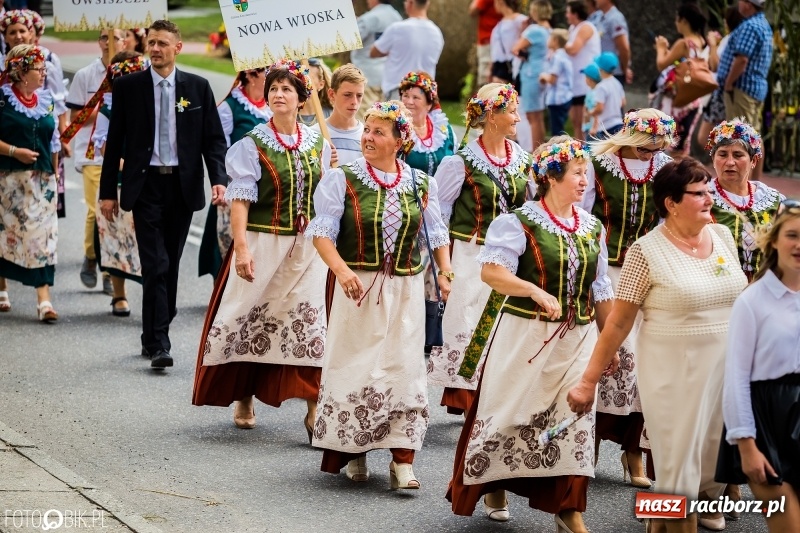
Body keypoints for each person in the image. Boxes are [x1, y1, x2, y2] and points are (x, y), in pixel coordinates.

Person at [568, 158, 749, 533]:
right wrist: (588, 381)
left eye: (709, 192)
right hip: (673, 372)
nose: (709, 199)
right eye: (698, 193)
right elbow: (618, 322)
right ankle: (667, 516)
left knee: (712, 448)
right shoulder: (645, 252)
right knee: (677, 460)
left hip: (725, 369)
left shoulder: (724, 238)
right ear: (670, 202)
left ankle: (679, 510)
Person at [447, 136, 613, 531]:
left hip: (577, 339)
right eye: (577, 173)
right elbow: (492, 272)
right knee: (509, 414)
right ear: (552, 177)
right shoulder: (518, 222)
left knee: (573, 420)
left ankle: (568, 509)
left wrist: (612, 344)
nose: (584, 181)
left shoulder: (591, 227)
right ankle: (495, 483)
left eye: (585, 173)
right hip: (524, 338)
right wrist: (534, 290)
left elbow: (601, 288)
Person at [308, 101, 452, 490]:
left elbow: (435, 233)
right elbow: (322, 234)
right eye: (366, 130)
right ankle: (354, 449)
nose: (368, 137)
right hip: (358, 289)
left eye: (378, 132)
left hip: (405, 290)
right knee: (358, 367)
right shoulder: (342, 179)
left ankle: (402, 459)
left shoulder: (422, 183)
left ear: (399, 142)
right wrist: (342, 270)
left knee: (403, 368)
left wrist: (447, 272)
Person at [193, 59, 332, 434]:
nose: (278, 94)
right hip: (264, 242)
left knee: (309, 324)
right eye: (273, 89)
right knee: (250, 318)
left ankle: (314, 406)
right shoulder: (253, 143)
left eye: (287, 89)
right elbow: (240, 200)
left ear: (303, 98)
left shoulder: (319, 142)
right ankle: (244, 395)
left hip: (306, 250)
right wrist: (241, 248)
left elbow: (326, 201)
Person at [99, 20, 228, 369]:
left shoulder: (197, 88)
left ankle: (153, 329)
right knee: (156, 264)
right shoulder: (129, 87)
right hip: (145, 185)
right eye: (151, 42)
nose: (155, 48)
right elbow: (115, 143)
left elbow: (213, 139)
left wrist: (219, 178)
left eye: (162, 43)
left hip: (182, 186)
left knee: (168, 263)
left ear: (178, 48)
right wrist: (108, 191)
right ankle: (160, 343)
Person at [581, 108, 675, 492]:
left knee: (643, 364)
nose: (652, 153)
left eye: (658, 147)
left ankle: (633, 450)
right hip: (606, 274)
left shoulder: (666, 169)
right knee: (601, 357)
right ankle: (588, 446)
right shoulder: (598, 166)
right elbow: (582, 217)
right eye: (646, 147)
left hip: (649, 273)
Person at [428, 83, 533, 416]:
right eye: (512, 110)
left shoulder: (521, 159)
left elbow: (530, 207)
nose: (518, 117)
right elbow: (439, 215)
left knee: (502, 324)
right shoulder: (460, 162)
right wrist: (441, 268)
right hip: (470, 255)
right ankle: (466, 395)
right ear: (491, 117)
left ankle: (487, 394)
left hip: (508, 257)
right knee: (469, 322)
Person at [716, 200, 800, 533]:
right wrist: (746, 447)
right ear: (775, 240)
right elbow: (735, 378)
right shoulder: (752, 301)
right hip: (766, 421)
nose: (799, 245)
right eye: (792, 235)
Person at [0, 44, 61, 321]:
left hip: (42, 182)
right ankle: (2, 288)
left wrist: (55, 170)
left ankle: (44, 301)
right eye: (39, 68)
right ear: (23, 72)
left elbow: (54, 138)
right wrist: (15, 151)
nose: (44, 72)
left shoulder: (46, 99)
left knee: (43, 239)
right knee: (6, 236)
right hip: (7, 181)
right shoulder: (1, 100)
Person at [64, 29, 124, 295]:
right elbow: (76, 116)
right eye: (103, 37)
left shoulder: (133, 73)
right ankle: (93, 257)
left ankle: (110, 267)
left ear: (126, 41)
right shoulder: (85, 75)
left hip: (123, 157)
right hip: (93, 154)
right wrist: (107, 105)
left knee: (118, 213)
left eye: (116, 37)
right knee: (96, 209)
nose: (109, 41)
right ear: (99, 42)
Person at [89, 52, 148, 316]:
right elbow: (104, 149)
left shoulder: (153, 104)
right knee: (116, 238)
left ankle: (153, 297)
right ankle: (119, 295)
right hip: (121, 181)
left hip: (149, 182)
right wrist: (130, 165)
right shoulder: (107, 109)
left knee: (147, 242)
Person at [198, 66, 270, 281]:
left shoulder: (272, 108)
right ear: (250, 75)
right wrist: (221, 183)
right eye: (267, 72)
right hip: (235, 185)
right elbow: (218, 150)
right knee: (227, 245)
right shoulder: (230, 108)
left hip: (265, 188)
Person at [707, 118, 783, 281]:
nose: (729, 162)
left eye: (738, 155)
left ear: (753, 161)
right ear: (713, 159)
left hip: (765, 287)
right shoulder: (702, 196)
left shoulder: (773, 200)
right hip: (716, 287)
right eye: (722, 154)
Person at [717, 0, 773, 181]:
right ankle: (753, 181)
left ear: (748, 4)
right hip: (754, 88)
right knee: (753, 134)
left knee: (743, 136)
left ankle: (749, 182)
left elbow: (742, 60)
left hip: (742, 88)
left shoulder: (750, 26)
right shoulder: (763, 24)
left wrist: (728, 83)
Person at [652, 3, 707, 157]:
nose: (675, 22)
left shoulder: (683, 43)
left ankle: (673, 178)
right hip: (694, 99)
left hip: (678, 100)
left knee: (670, 144)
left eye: (677, 19)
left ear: (684, 20)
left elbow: (661, 64)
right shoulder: (701, 40)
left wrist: (660, 48)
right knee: (683, 144)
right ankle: (684, 177)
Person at [371, 0, 444, 102]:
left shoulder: (397, 28)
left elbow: (374, 52)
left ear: (410, 3)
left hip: (399, 92)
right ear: (427, 4)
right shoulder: (437, 33)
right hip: (425, 93)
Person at [695, 7, 744, 149]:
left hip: (721, 92)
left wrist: (712, 45)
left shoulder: (730, 40)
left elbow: (716, 65)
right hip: (722, 92)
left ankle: (723, 160)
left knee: (705, 137)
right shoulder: (732, 39)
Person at [512, 0, 552, 149]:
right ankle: (540, 148)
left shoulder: (534, 30)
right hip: (543, 72)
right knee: (538, 115)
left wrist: (524, 54)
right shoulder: (549, 30)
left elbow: (515, 48)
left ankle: (536, 151)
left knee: (532, 116)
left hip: (530, 74)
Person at [352, 0, 401, 118]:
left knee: (364, 117)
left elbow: (351, 39)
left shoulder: (369, 18)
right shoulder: (397, 18)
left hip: (367, 76)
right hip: (388, 77)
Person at [400, 71, 455, 176]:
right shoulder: (396, 129)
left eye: (416, 97)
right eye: (406, 95)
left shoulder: (444, 130)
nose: (409, 102)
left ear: (429, 104)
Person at [564, 0, 600, 142]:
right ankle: (578, 150)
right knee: (575, 121)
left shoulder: (586, 27)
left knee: (585, 121)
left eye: (568, 12)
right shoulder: (572, 29)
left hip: (586, 82)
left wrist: (561, 43)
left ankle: (588, 153)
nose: (566, 16)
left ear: (575, 14)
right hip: (575, 82)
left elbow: (573, 49)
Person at [316, 64, 366, 166]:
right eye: (347, 95)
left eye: (359, 95)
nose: (354, 102)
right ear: (331, 94)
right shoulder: (315, 134)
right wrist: (321, 163)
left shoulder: (366, 137)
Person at [540, 28, 573, 136]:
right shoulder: (563, 55)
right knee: (559, 127)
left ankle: (558, 151)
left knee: (557, 131)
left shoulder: (557, 57)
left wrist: (543, 76)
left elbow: (553, 79)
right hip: (564, 97)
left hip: (557, 99)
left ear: (555, 41)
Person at [584, 52, 625, 139]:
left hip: (606, 127)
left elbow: (599, 108)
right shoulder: (617, 83)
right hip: (618, 123)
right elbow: (623, 102)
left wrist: (590, 113)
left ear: (600, 69)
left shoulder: (601, 87)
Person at [592, 0, 631, 85]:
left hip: (613, 73)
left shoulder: (615, 18)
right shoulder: (600, 17)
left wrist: (625, 68)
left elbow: (623, 47)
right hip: (601, 71)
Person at [489, 0, 527, 87]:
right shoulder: (500, 23)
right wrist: (490, 68)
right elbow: (495, 48)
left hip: (510, 62)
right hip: (498, 63)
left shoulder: (519, 19)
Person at [470, 0, 502, 87]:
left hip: (487, 38)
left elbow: (472, 11)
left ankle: (484, 98)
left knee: (485, 76)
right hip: (501, 39)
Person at [298, 58, 332, 128]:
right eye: (301, 77)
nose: (304, 82)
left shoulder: (331, 114)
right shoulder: (288, 114)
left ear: (321, 84)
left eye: (310, 78)